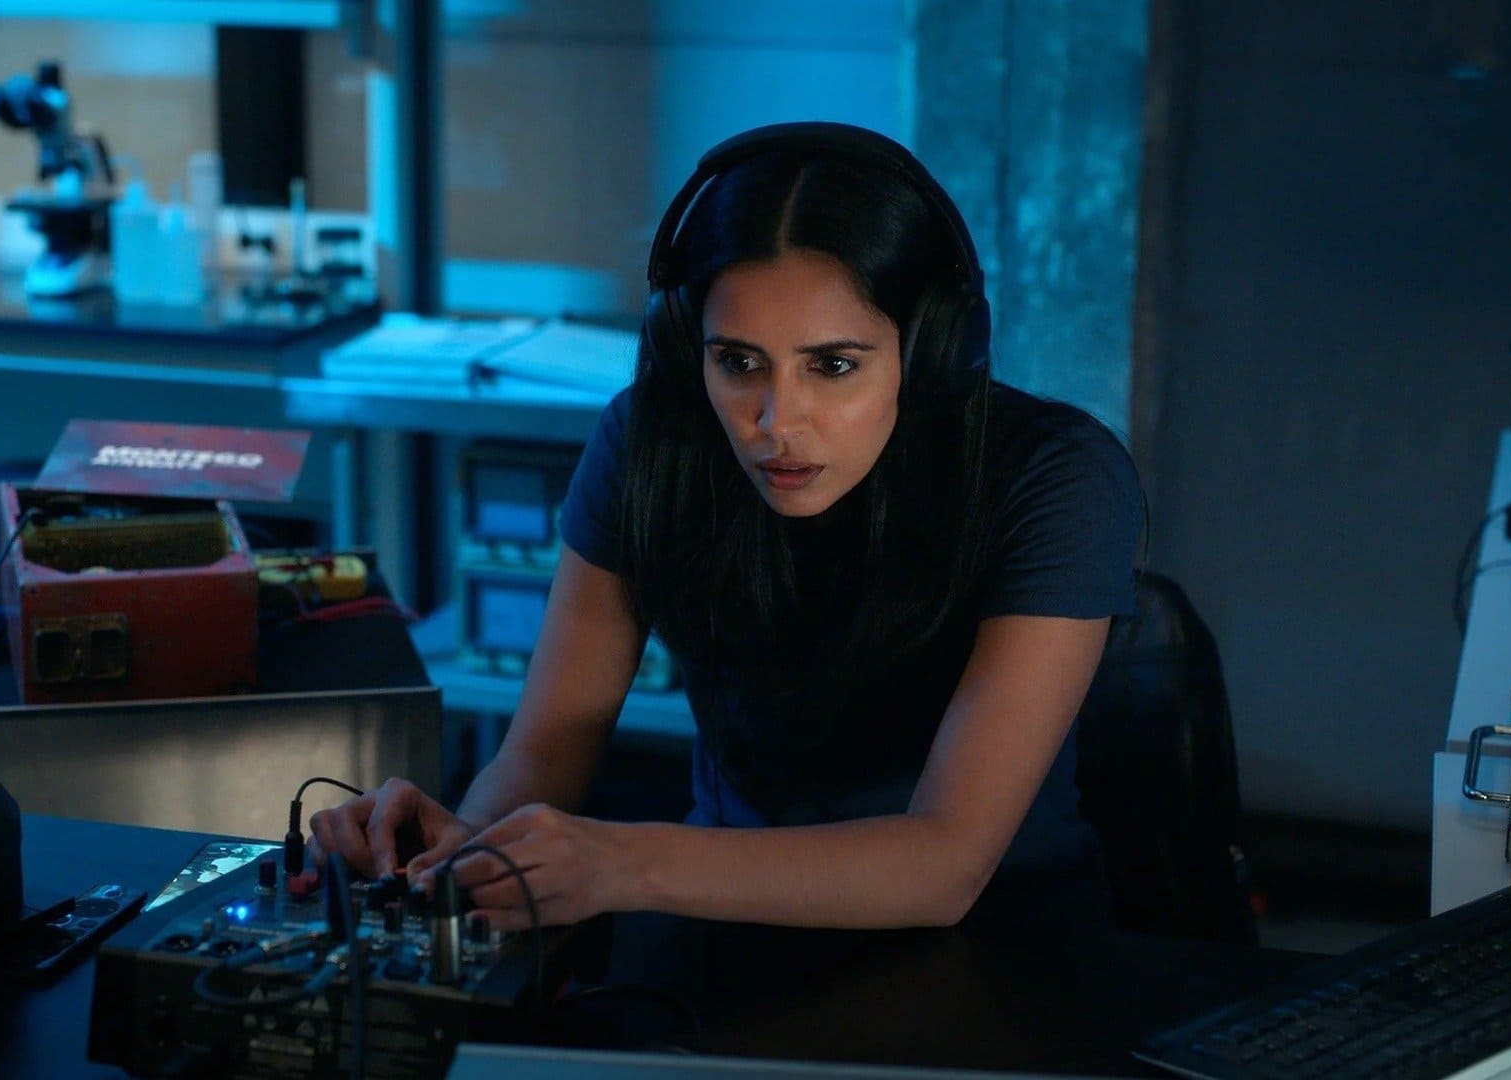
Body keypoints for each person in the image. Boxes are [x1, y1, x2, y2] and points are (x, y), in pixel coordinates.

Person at [308, 121, 1143, 932]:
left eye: (834, 366)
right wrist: (459, 849)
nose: (777, 421)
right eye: (738, 363)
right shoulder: (651, 443)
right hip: (720, 923)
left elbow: (944, 865)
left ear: (929, 354)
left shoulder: (1056, 478)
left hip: (1000, 946)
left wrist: (623, 861)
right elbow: (544, 752)